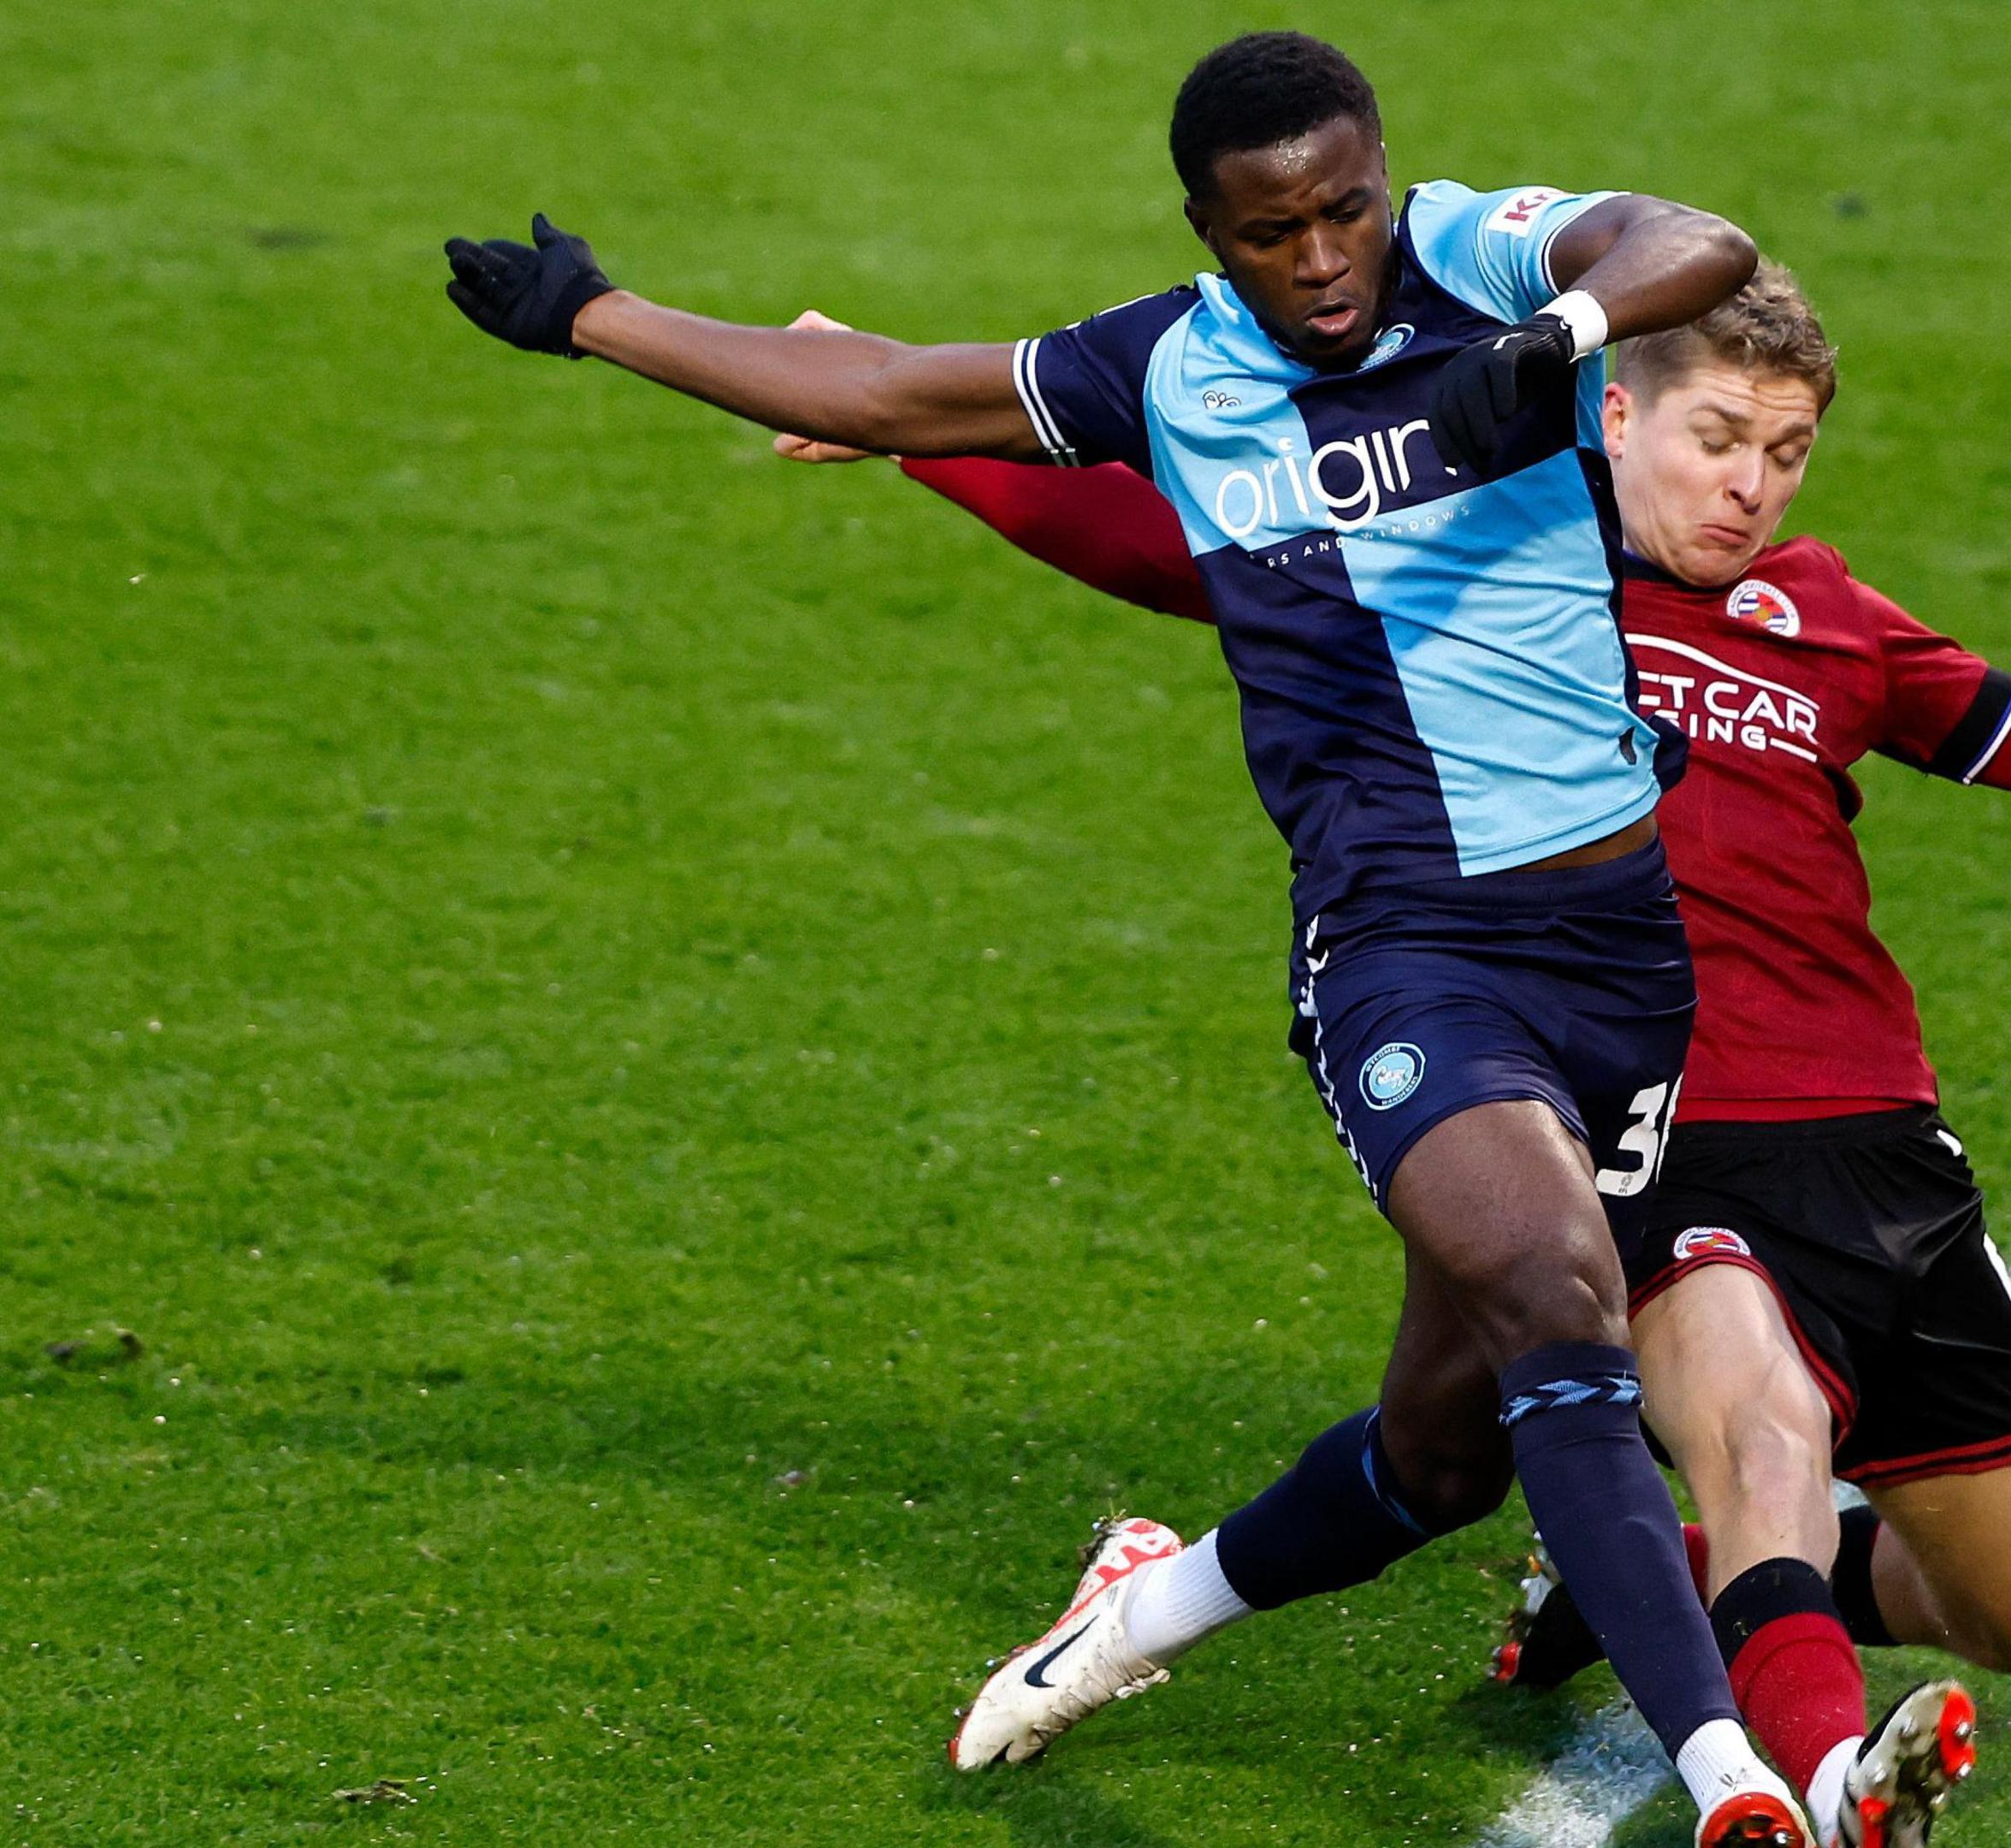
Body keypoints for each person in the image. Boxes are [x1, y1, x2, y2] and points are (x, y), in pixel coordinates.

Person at [777, 263, 2011, 1845]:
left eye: (1784, 454)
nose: (1749, 487)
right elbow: (1151, 537)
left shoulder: (1830, 620)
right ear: (1610, 404)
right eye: (1718, 438)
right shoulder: (1459, 553)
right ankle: (1816, 1788)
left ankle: (1609, 1588)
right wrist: (904, 425)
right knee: (1762, 1432)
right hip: (1638, 1118)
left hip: (1885, 1156)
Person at [441, 32, 1829, 1846]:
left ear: (1382, 179)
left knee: (1442, 1452)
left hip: (1619, 950)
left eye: (1344, 210)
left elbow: (1697, 241)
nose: (1324, 262)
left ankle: (1141, 1615)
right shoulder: (1160, 368)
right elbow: (877, 396)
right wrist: (594, 313)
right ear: (1207, 230)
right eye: (1274, 234)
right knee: (1566, 1313)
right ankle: (1730, 1782)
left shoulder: (1480, 256)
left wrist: (1547, 347)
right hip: (1405, 953)